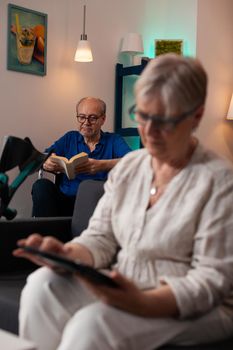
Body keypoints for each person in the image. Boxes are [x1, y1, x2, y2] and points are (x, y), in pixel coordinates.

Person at [14, 54, 233, 350]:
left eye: (165, 119)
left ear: (196, 115)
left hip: (200, 302)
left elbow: (211, 280)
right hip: (130, 281)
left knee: (93, 324)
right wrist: (68, 253)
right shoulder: (132, 167)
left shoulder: (219, 181)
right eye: (143, 115)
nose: (150, 131)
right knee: (41, 287)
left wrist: (143, 302)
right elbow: (100, 238)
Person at [31, 97, 131, 217]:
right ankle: (46, 233)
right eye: (82, 117)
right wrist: (47, 162)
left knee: (88, 186)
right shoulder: (69, 138)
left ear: (103, 119)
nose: (86, 122)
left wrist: (101, 165)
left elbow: (133, 161)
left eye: (92, 118)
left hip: (98, 204)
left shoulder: (114, 140)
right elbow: (44, 155)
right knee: (41, 186)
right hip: (66, 200)